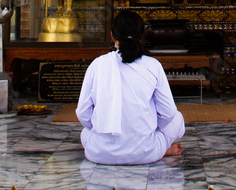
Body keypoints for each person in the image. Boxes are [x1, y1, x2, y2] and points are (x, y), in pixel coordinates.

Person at [76, 10, 186, 164]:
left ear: (112, 36)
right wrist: (152, 129)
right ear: (142, 36)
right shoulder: (152, 65)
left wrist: (103, 125)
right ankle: (161, 148)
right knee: (178, 119)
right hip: (145, 153)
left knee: (86, 132)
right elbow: (168, 113)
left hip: (99, 153)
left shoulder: (97, 64)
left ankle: (111, 146)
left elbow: (82, 113)